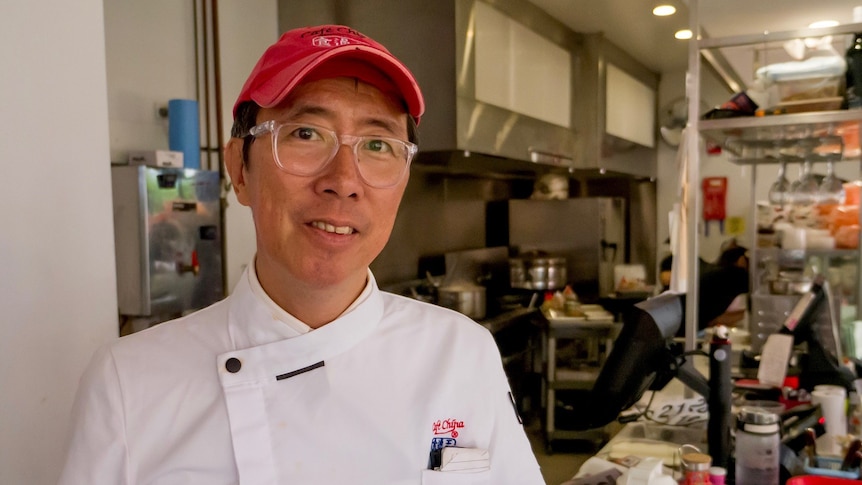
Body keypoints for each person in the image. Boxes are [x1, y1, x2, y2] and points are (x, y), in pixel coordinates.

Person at [58, 25, 544, 484]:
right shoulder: (128, 383)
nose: (344, 181)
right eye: (306, 134)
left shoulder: (461, 352)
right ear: (240, 170)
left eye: (378, 144)